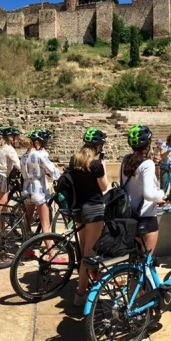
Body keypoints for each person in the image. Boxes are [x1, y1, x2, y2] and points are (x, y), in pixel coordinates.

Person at [71, 128, 108, 307]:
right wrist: (104, 167)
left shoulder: (74, 160)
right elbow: (104, 187)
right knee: (89, 253)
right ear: (98, 146)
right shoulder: (96, 165)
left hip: (78, 208)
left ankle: (86, 281)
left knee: (84, 247)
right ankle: (80, 294)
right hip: (93, 209)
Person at [120, 125, 166, 255]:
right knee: (147, 259)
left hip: (128, 214)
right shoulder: (147, 163)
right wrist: (161, 194)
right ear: (148, 144)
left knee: (133, 258)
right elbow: (148, 194)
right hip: (145, 216)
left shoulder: (126, 159)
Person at [21, 129, 60, 238]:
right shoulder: (39, 155)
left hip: (27, 188)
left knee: (27, 221)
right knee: (45, 225)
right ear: (37, 143)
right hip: (38, 191)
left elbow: (24, 172)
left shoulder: (24, 156)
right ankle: (51, 253)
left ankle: (27, 247)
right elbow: (54, 172)